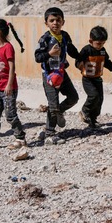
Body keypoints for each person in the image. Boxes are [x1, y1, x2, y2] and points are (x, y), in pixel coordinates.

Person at [34, 7, 80, 145]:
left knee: (73, 98)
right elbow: (37, 57)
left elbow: (71, 49)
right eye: (52, 20)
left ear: (63, 22)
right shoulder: (45, 39)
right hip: (49, 75)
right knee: (52, 104)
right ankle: (49, 134)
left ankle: (57, 112)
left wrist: (80, 57)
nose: (55, 23)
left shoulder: (65, 36)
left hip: (61, 73)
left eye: (58, 20)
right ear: (46, 23)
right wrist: (49, 54)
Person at [0, 19, 26, 150]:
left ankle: (20, 138)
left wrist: (9, 85)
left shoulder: (8, 47)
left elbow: (12, 67)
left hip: (8, 88)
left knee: (10, 114)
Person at [76, 26, 112, 129]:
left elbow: (106, 61)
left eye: (103, 43)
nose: (101, 46)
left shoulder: (102, 51)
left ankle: (93, 120)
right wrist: (80, 65)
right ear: (91, 41)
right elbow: (78, 61)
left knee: (99, 99)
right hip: (87, 79)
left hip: (98, 78)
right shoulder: (86, 50)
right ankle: (84, 111)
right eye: (98, 43)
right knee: (93, 95)